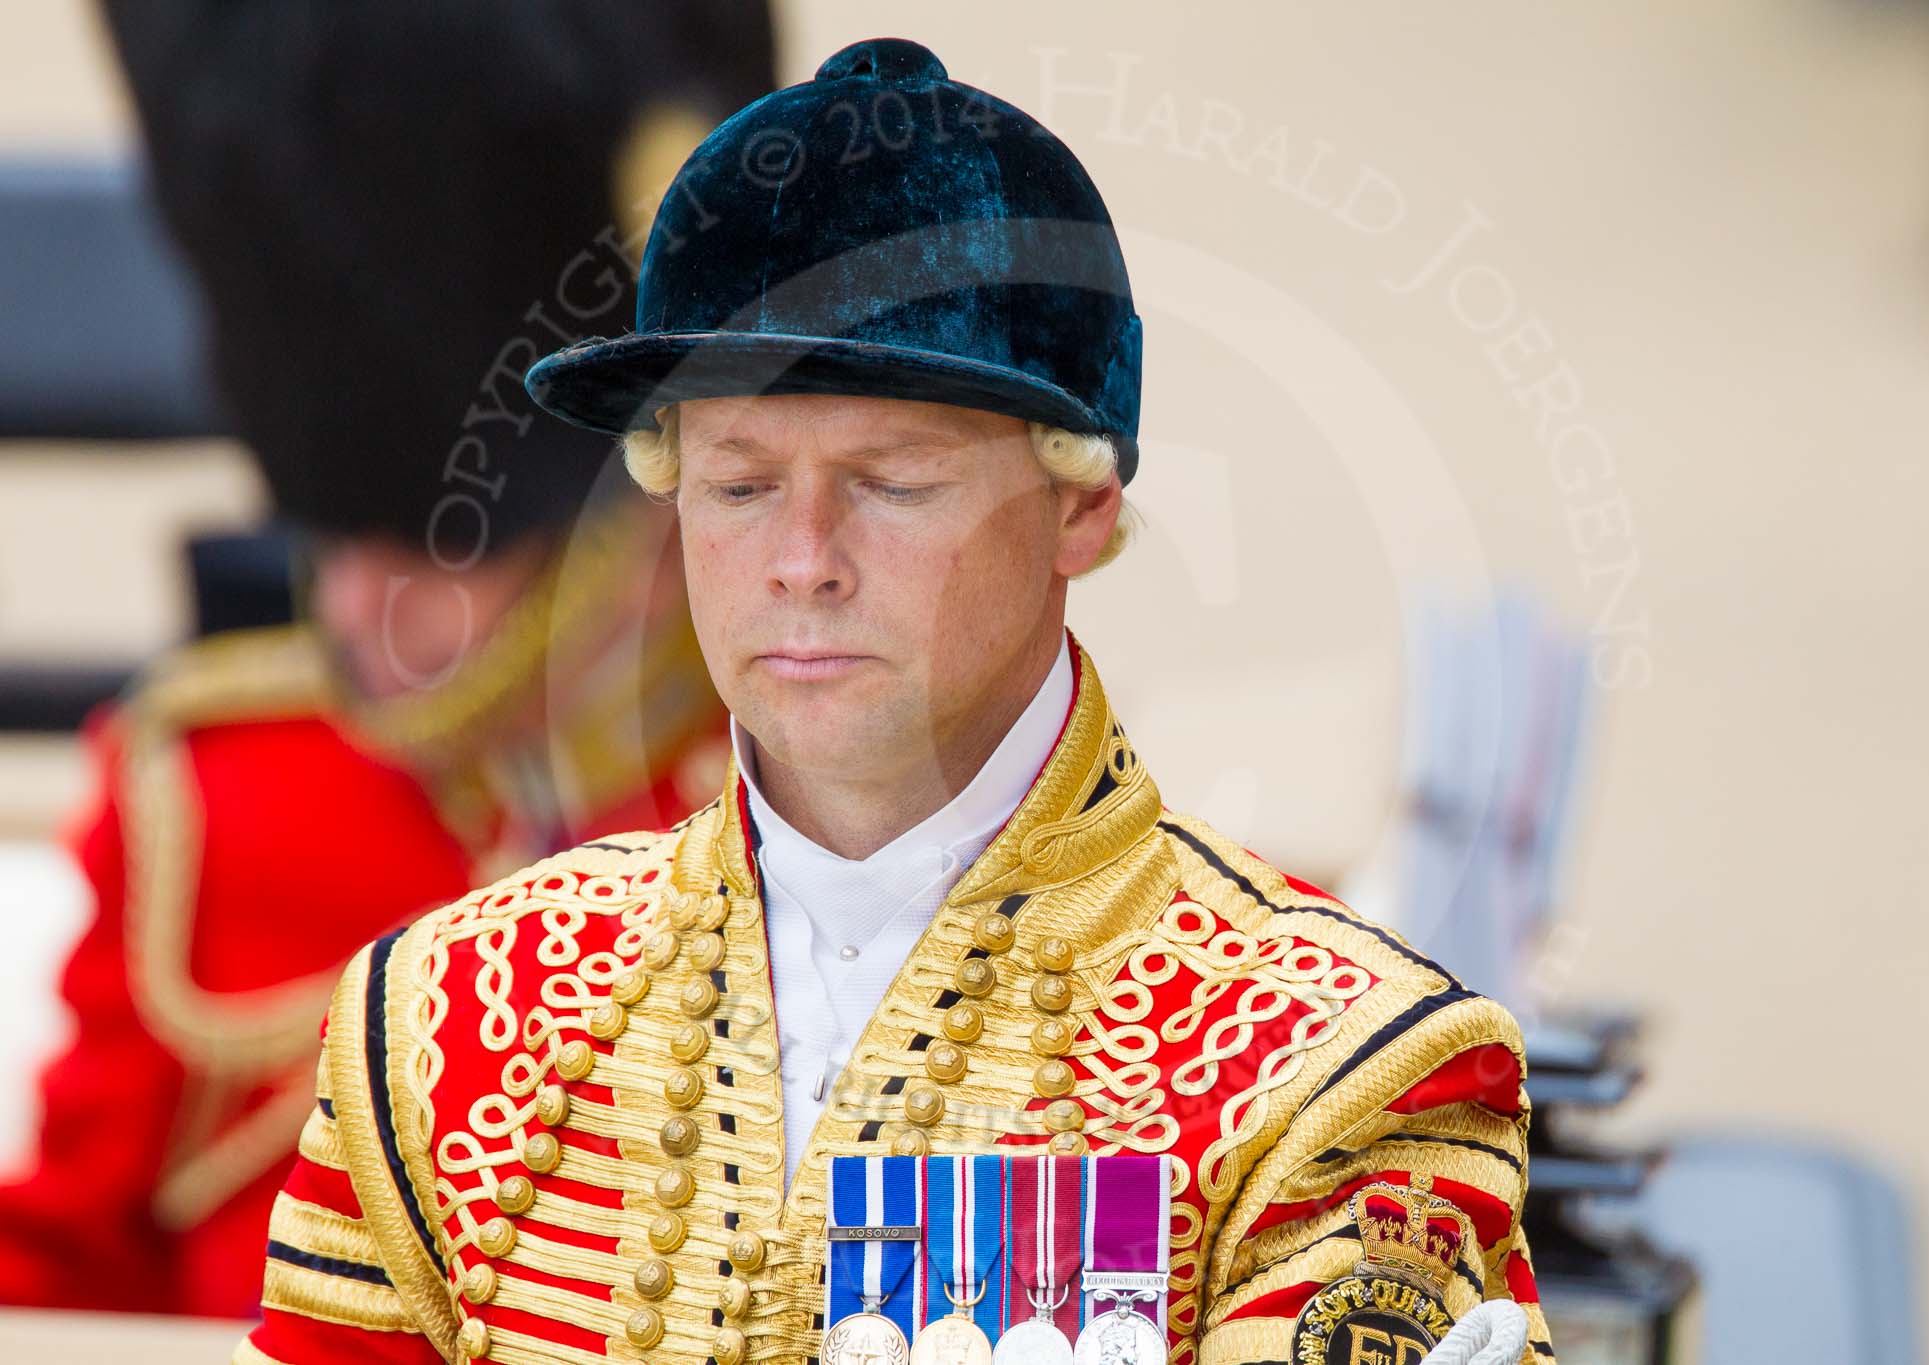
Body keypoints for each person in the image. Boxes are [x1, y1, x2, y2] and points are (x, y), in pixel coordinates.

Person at [239, 38, 1553, 1364]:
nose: (802, 558)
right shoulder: (442, 1016)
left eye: (895, 482)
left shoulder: (1334, 1069)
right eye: (742, 484)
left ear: (1081, 505)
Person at [0, 1, 773, 1318]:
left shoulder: (875, 810)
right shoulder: (217, 803)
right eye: (338, 529)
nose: (355, 601)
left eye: (432, 541)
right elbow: (70, 1266)